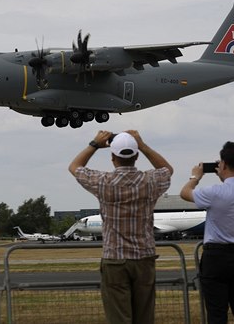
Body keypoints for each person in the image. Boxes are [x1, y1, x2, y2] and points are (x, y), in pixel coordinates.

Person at [69, 130, 173, 324]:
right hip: (144, 257)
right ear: (136, 156)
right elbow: (167, 169)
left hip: (115, 258)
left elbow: (75, 166)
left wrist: (94, 144)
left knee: (118, 317)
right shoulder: (150, 181)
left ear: (112, 157)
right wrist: (142, 144)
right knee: (144, 316)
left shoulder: (103, 182)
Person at [180, 141, 234, 324]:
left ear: (223, 164)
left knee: (217, 313)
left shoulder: (215, 192)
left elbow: (185, 193)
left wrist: (195, 176)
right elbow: (232, 191)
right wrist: (225, 176)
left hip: (216, 257)